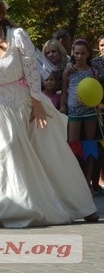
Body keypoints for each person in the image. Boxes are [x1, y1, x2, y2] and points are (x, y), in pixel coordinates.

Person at [0, 0, 98, 226]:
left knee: (50, 154)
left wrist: (37, 103)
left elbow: (31, 71)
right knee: (4, 151)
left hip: (27, 103)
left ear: (1, 14)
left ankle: (80, 206)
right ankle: (17, 209)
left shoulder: (16, 36)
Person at [60, 38, 101, 192]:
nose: (79, 56)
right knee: (72, 144)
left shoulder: (93, 72)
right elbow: (64, 92)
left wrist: (97, 106)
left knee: (90, 144)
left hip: (90, 111)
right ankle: (73, 181)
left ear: (88, 53)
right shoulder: (68, 72)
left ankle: (87, 181)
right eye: (76, 53)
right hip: (74, 112)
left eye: (83, 53)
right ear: (72, 53)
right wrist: (63, 106)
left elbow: (97, 91)